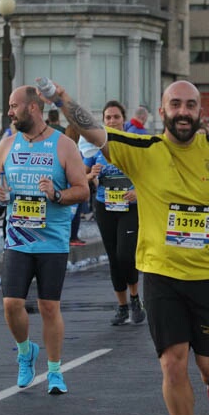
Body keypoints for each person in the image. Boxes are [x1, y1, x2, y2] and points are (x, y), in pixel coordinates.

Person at [54, 78, 209, 415]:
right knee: (172, 361)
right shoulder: (143, 150)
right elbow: (93, 129)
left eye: (190, 105)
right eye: (176, 105)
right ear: (162, 110)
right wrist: (62, 98)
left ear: (200, 111)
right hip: (161, 274)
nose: (183, 112)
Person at [0, 85, 91, 396]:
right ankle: (25, 353)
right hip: (18, 236)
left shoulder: (64, 146)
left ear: (32, 108)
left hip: (52, 240)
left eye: (13, 106)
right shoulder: (6, 145)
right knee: (11, 304)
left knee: (49, 307)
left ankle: (55, 371)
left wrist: (57, 194)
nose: (10, 111)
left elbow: (82, 190)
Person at [82, 101, 145, 327]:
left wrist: (138, 190)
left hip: (129, 207)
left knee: (125, 254)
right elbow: (82, 173)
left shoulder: (133, 143)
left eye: (116, 117)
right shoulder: (96, 146)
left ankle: (136, 299)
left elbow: (148, 174)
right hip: (105, 206)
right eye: (107, 118)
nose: (111, 121)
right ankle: (121, 306)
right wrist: (91, 175)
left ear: (124, 120)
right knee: (113, 258)